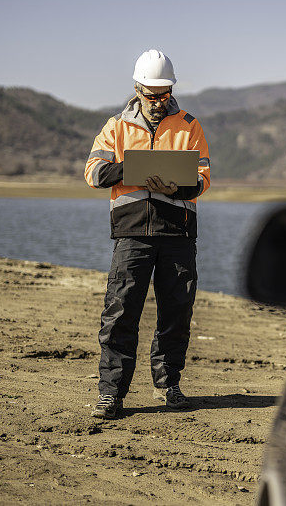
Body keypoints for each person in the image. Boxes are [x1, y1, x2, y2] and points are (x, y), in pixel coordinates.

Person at [84, 49, 211, 418]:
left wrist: (176, 188)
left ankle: (169, 383)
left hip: (178, 232)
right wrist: (128, 168)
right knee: (121, 311)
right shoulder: (116, 127)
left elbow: (203, 177)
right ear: (137, 89)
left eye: (164, 94)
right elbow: (93, 173)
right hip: (132, 232)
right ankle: (111, 393)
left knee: (177, 311)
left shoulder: (190, 125)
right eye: (151, 95)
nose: (158, 102)